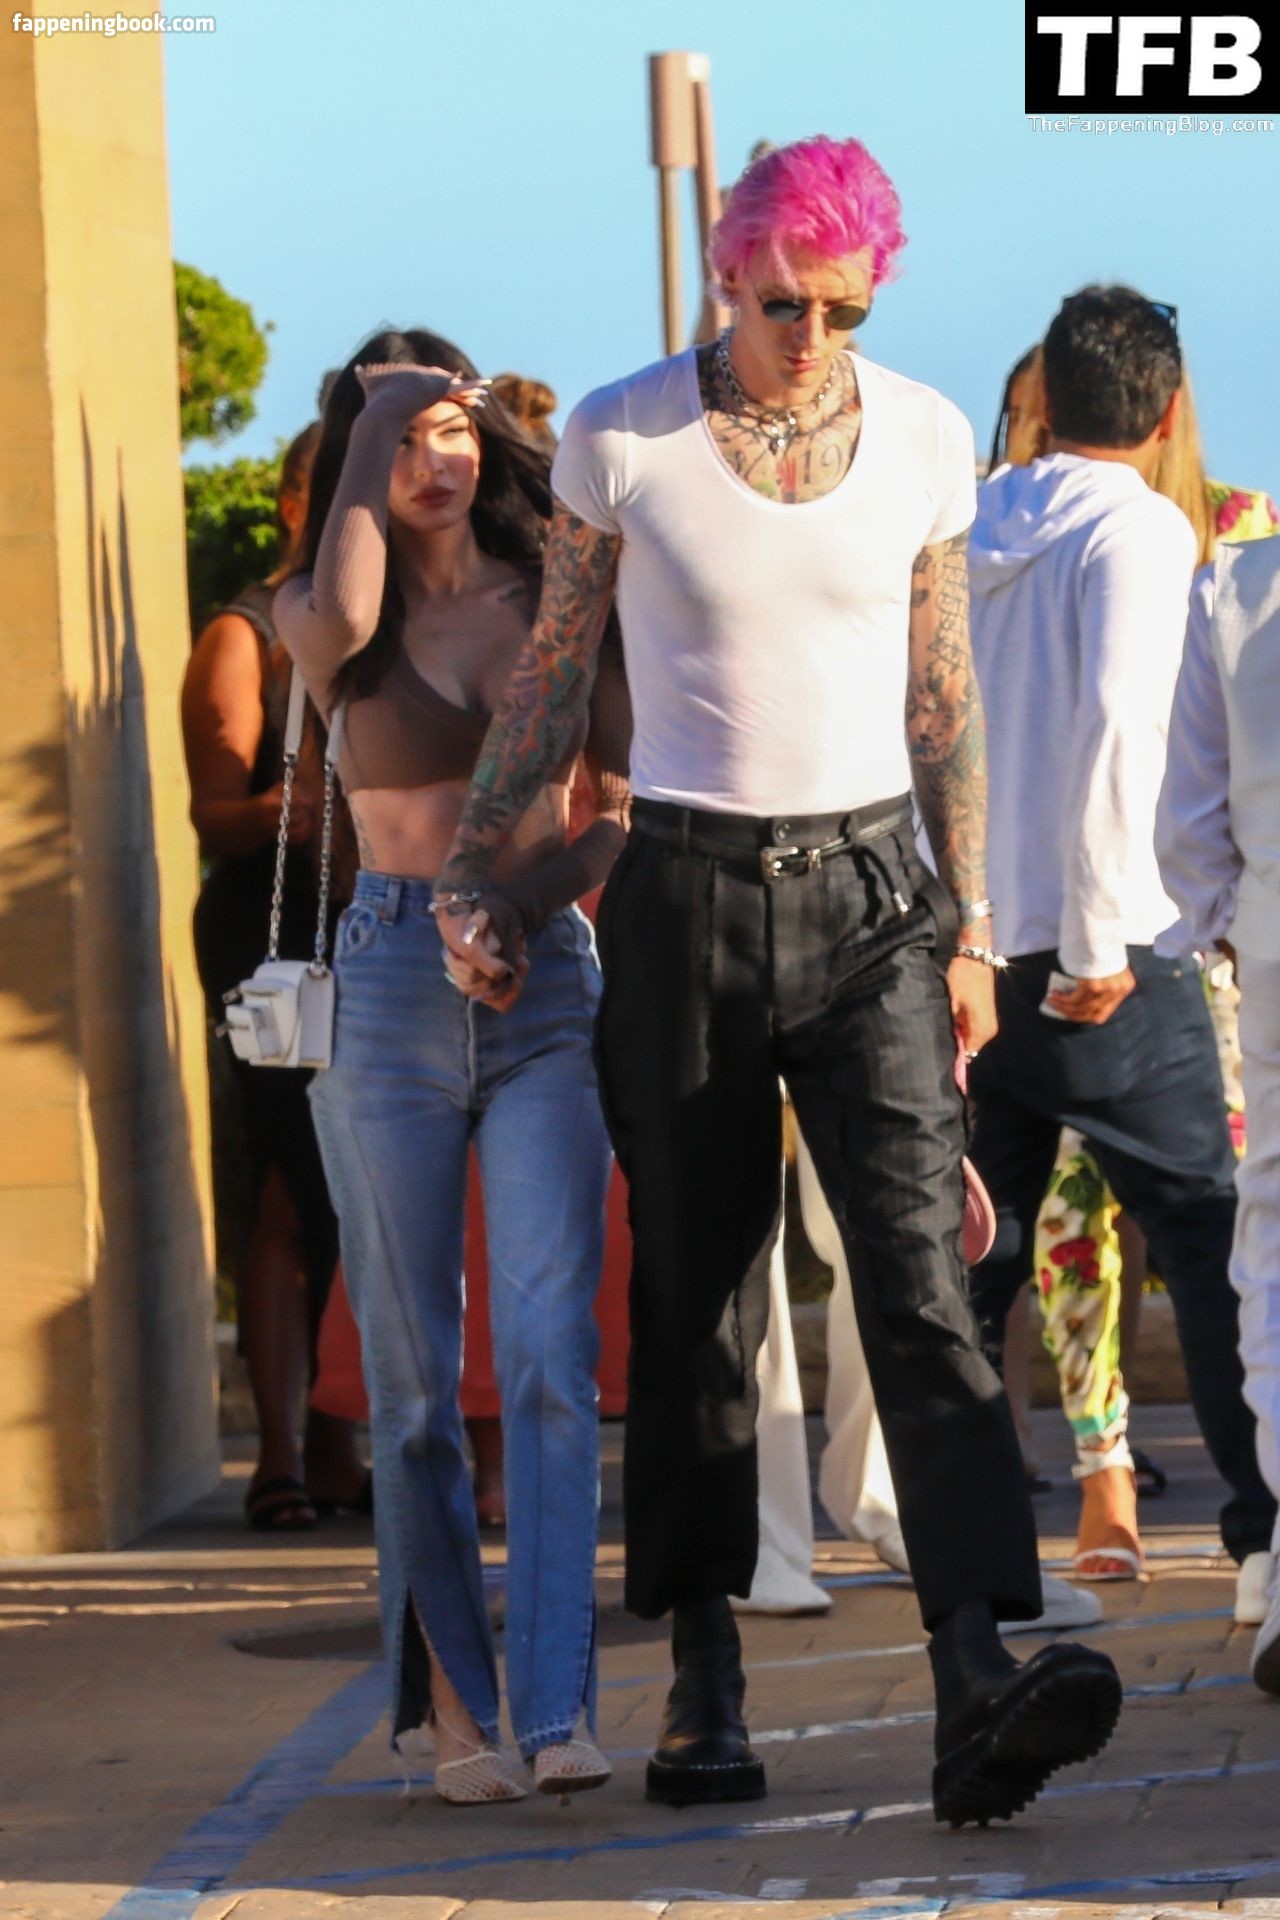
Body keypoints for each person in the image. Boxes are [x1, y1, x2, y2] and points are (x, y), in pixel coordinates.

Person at [432, 135, 1121, 1827]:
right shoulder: (622, 434)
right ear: (728, 277)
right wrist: (471, 864)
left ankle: (975, 1671)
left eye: (844, 308)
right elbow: (553, 672)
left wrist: (972, 930)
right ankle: (703, 1675)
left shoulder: (933, 436)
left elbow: (943, 697)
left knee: (925, 1279)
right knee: (698, 1298)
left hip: (877, 895)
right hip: (683, 895)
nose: (812, 336)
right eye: (784, 304)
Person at [274, 328, 630, 1804]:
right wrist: (373, 418)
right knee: (415, 1382)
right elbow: (344, 601)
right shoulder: (324, 617)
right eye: (407, 437)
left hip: (542, 986)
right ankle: (453, 1709)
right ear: (361, 456)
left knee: (550, 1355)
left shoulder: (556, 594)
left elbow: (616, 813)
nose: (438, 459)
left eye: (455, 428)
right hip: (387, 985)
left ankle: (557, 1708)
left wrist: (522, 909)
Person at [965, 284, 1278, 1618]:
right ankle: (1262, 1548)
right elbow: (1117, 727)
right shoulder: (1144, 528)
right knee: (1211, 1240)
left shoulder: (968, 523)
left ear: (1042, 399)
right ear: (1164, 412)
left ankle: (979, 1569)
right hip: (1106, 956)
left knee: (972, 1267)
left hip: (973, 954)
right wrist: (1099, 939)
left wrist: (959, 926)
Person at [182, 422, 369, 1533]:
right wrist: (295, 805)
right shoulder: (244, 632)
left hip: (364, 929)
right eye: (328, 492)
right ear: (295, 505)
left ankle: (341, 1447)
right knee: (284, 1189)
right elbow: (215, 815)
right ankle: (283, 1456)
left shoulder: (383, 616)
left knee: (349, 1189)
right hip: (271, 936)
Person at [1156, 537, 1280, 1691]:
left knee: (1272, 1247)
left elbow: (1187, 818)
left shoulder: (1235, 588)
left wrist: (1229, 924)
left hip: (1278, 942)